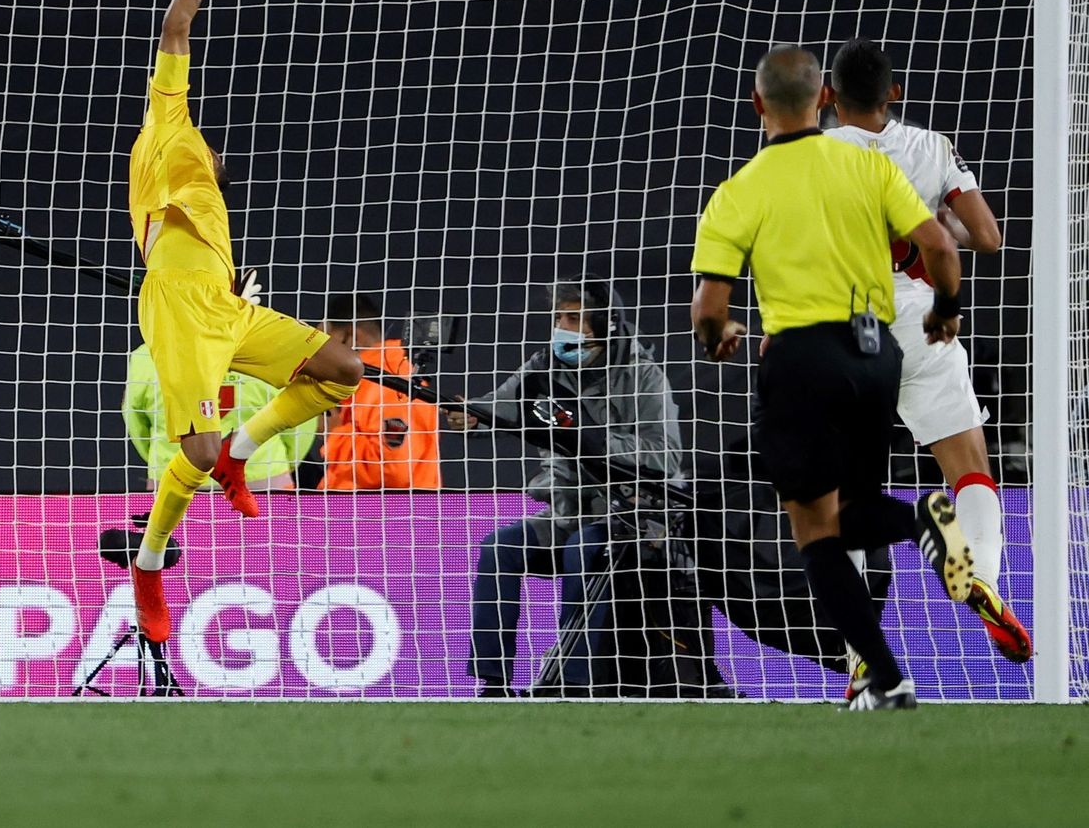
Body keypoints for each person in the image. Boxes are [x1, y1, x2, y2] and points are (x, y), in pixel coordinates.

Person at [689, 45, 970, 711]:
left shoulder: (740, 190)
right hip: (876, 356)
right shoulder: (867, 165)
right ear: (822, 100)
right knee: (854, 512)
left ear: (758, 104)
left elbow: (708, 310)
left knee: (815, 529)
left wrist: (719, 336)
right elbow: (940, 246)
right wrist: (945, 312)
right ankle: (890, 655)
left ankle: (887, 667)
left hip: (802, 359)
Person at [125, 0, 365, 645]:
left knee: (342, 368)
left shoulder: (213, 207)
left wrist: (232, 297)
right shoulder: (169, 120)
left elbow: (210, 265)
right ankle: (150, 562)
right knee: (188, 457)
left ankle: (241, 450)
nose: (219, 152)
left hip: (223, 306)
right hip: (175, 310)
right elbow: (175, 28)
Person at [823, 38, 1029, 665]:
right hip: (923, 321)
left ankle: (862, 652)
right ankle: (985, 578)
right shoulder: (933, 147)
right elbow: (988, 237)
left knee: (844, 489)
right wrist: (944, 223)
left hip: (841, 326)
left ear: (829, 96)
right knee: (969, 462)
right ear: (895, 94)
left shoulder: (815, 154)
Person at [448, 276, 688, 696]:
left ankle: (573, 683)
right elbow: (498, 408)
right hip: (568, 512)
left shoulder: (644, 375)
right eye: (560, 316)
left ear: (604, 325)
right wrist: (470, 416)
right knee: (500, 546)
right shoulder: (543, 367)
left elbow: (664, 455)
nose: (562, 326)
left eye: (574, 318)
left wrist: (596, 442)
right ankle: (494, 681)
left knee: (582, 548)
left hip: (635, 519)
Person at [124, 342, 312, 493]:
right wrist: (282, 462)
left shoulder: (149, 354)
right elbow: (301, 419)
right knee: (270, 539)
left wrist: (162, 457)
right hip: (263, 476)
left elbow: (136, 421)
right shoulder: (267, 349)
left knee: (177, 541)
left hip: (174, 478)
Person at [316, 293, 440, 491]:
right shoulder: (369, 380)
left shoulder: (390, 382)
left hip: (383, 517)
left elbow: (392, 471)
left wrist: (333, 434)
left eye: (328, 344)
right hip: (363, 514)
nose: (324, 355)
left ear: (353, 337)